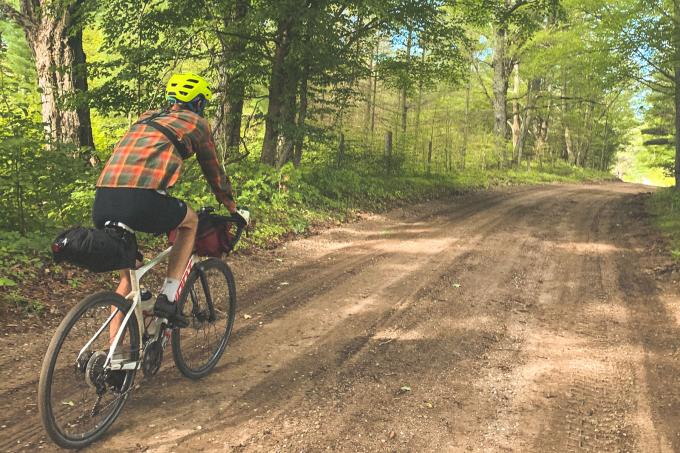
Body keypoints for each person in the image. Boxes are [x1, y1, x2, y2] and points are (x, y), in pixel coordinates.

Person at [92, 73, 245, 328]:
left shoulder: (147, 116)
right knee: (190, 221)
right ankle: (169, 296)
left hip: (103, 197)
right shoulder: (197, 123)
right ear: (198, 103)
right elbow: (213, 171)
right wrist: (231, 205)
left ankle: (113, 356)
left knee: (129, 277)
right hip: (139, 199)